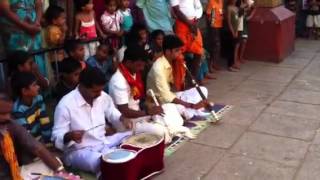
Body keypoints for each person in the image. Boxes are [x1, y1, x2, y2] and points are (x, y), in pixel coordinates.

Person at [52, 67, 132, 175]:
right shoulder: (65, 105)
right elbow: (56, 136)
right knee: (104, 163)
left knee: (133, 135)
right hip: (79, 151)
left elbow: (112, 112)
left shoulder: (102, 96)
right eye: (95, 91)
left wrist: (122, 118)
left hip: (103, 143)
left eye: (101, 90)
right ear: (82, 86)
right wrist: (69, 136)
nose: (99, 94)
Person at [0, 93, 80, 180]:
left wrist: (62, 172)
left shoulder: (10, 124)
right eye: (2, 113)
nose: (7, 117)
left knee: (53, 164)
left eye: (9, 113)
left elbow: (37, 148)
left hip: (16, 172)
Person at [147, 35, 210, 120]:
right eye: (177, 51)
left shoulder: (174, 61)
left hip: (173, 95)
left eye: (180, 50)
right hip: (160, 101)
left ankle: (192, 111)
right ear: (168, 51)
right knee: (180, 108)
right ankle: (192, 110)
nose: (180, 53)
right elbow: (166, 97)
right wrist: (191, 104)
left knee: (203, 90)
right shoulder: (158, 68)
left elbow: (177, 88)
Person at [0, 0, 47, 76]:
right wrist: (27, 27)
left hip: (34, 33)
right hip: (15, 37)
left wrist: (37, 22)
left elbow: (38, 3)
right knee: (21, 69)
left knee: (38, 65)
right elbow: (4, 9)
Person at [11, 72, 53, 146]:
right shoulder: (17, 110)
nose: (38, 87)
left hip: (42, 138)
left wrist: (48, 141)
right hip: (30, 144)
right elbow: (26, 135)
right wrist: (41, 146)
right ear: (24, 91)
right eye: (34, 85)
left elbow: (45, 121)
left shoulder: (38, 99)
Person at [170, 0, 204, 79]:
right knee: (180, 53)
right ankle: (181, 81)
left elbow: (198, 6)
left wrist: (195, 21)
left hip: (193, 23)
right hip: (182, 24)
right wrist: (190, 24)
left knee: (198, 51)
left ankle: (193, 79)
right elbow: (176, 10)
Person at [44, 5, 67, 83]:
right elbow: (59, 43)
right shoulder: (53, 30)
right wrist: (64, 32)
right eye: (63, 18)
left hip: (59, 57)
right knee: (59, 76)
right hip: (56, 59)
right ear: (54, 20)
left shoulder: (55, 28)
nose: (65, 20)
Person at [206, 0, 223, 73]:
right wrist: (211, 26)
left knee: (217, 47)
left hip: (219, 26)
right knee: (213, 46)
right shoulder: (211, 2)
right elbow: (208, 15)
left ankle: (214, 64)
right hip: (213, 27)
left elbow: (221, 12)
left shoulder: (221, 1)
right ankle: (210, 66)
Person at [226, 0, 240, 71]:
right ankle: (229, 65)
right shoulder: (229, 8)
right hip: (230, 30)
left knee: (235, 46)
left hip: (236, 30)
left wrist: (236, 31)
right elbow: (229, 21)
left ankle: (234, 63)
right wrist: (232, 31)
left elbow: (237, 20)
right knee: (231, 48)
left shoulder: (236, 8)